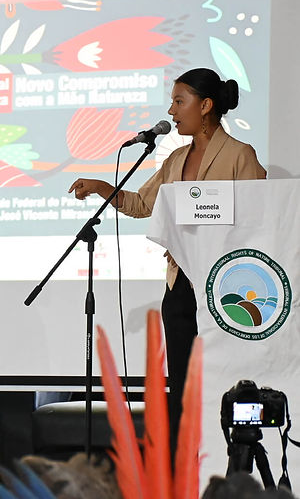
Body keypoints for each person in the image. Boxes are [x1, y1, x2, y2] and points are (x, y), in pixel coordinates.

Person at [68, 68, 266, 450]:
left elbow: (259, 220)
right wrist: (102, 188)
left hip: (224, 290)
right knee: (181, 385)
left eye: (179, 101)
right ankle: (184, 463)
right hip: (179, 287)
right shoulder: (175, 159)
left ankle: (223, 460)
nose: (172, 111)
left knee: (221, 378)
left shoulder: (241, 155)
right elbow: (143, 204)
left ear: (206, 106)